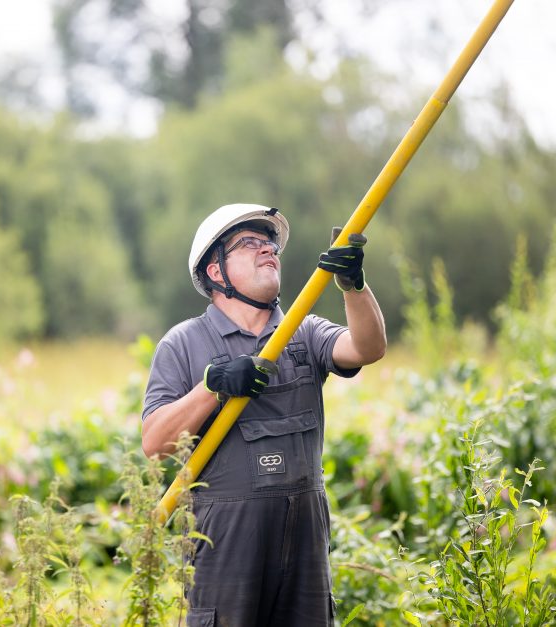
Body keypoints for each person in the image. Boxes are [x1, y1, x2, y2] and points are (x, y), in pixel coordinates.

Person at [142, 203, 386, 626]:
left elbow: (367, 348)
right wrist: (212, 387)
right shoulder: (182, 344)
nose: (268, 250)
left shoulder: (303, 331)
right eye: (249, 243)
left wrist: (354, 287)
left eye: (270, 243)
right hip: (225, 540)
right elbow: (154, 444)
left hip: (305, 534)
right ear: (215, 271)